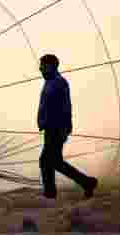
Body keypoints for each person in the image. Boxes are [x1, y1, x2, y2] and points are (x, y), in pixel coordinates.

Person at [37, 54, 97, 199]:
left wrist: (65, 128)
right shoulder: (50, 82)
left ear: (51, 66)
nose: (40, 68)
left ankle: (52, 193)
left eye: (43, 65)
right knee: (52, 161)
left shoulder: (59, 82)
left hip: (56, 128)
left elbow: (65, 107)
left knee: (48, 161)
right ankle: (85, 182)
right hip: (50, 127)